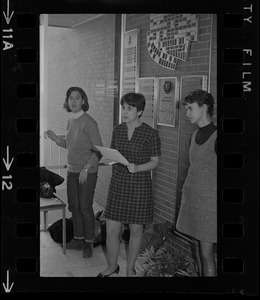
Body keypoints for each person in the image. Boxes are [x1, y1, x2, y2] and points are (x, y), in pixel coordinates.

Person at [97, 92, 161, 277]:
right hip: (118, 184)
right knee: (111, 231)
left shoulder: (150, 133)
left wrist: (138, 167)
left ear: (139, 111)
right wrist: (107, 156)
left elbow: (155, 161)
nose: (125, 111)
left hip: (139, 185)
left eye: (129, 108)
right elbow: (113, 152)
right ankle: (112, 267)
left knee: (135, 230)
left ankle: (130, 269)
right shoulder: (118, 129)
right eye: (123, 107)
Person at [45, 86, 103, 258]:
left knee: (85, 208)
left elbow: (99, 150)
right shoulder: (71, 121)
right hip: (71, 171)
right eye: (71, 98)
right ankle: (78, 238)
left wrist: (86, 168)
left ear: (84, 101)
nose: (74, 101)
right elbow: (71, 145)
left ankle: (89, 242)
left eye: (78, 98)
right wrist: (56, 139)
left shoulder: (89, 122)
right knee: (74, 207)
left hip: (87, 172)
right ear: (67, 101)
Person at [176, 89, 217, 276]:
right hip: (192, 198)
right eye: (186, 109)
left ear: (204, 107)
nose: (187, 113)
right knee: (198, 252)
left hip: (209, 204)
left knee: (207, 254)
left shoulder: (217, 136)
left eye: (190, 109)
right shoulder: (193, 135)